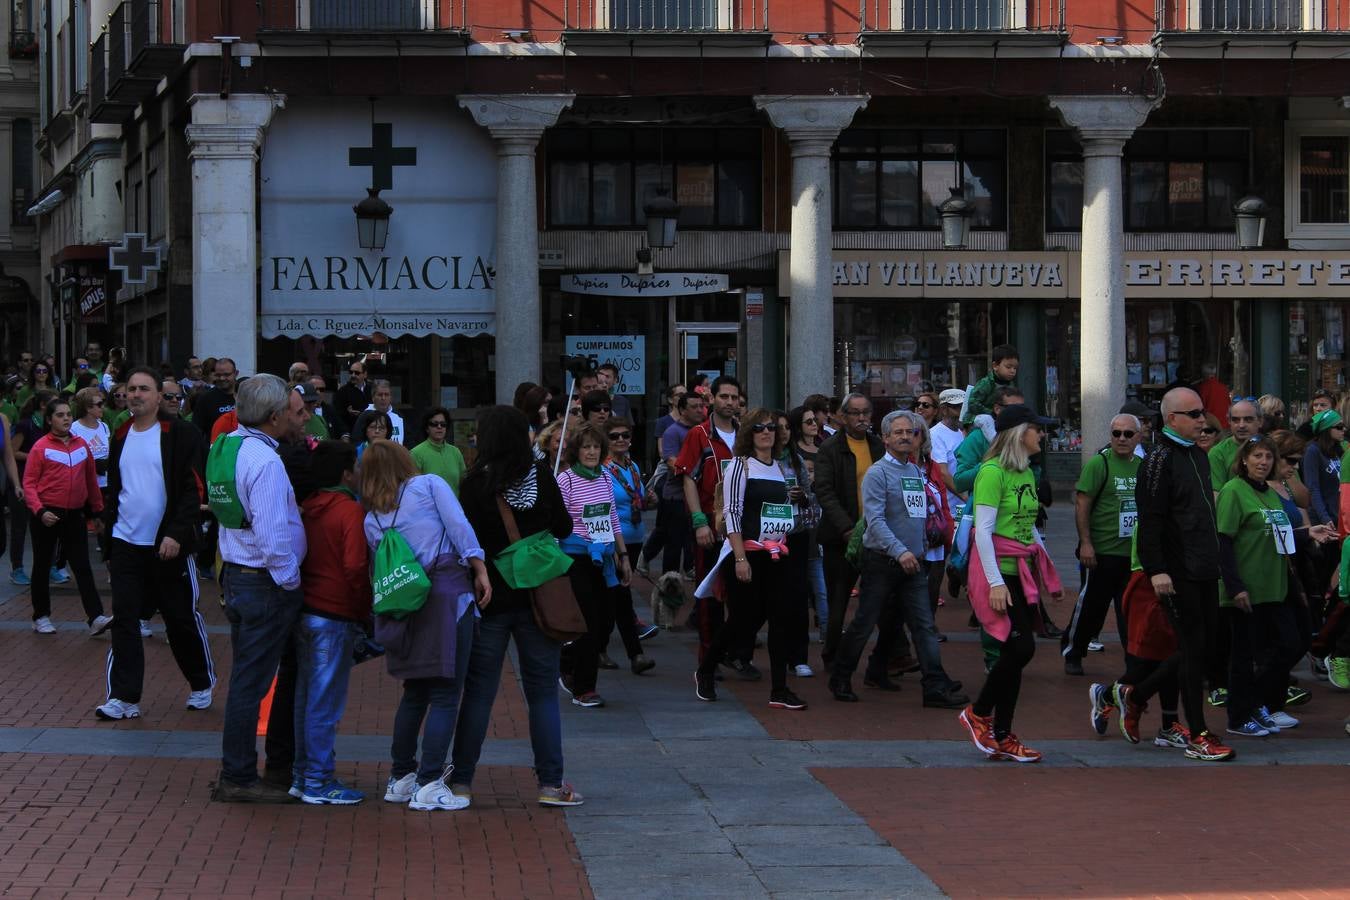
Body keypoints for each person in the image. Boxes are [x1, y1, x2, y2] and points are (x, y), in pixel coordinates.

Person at [452, 405, 584, 808]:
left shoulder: (474, 483)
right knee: (542, 692)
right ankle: (550, 783)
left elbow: (464, 538)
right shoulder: (541, 476)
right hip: (538, 596)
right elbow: (564, 526)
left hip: (489, 595)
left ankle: (461, 781)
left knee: (478, 693)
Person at [361, 441, 490, 812]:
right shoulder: (429, 485)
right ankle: (430, 782)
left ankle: (401, 776)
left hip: (404, 606)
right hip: (447, 597)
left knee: (414, 691)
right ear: (404, 460)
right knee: (447, 693)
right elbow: (459, 527)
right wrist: (479, 568)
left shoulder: (372, 519)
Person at [1116, 386, 1235, 762]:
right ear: (1172, 419)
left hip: (1204, 567)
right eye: (1195, 414)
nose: (1203, 420)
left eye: (1202, 413)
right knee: (1191, 651)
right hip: (1176, 570)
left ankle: (1135, 696)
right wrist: (1158, 570)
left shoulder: (1197, 456)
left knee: (1198, 649)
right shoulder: (1157, 460)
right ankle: (1198, 733)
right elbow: (1150, 521)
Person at [95, 368, 213, 721]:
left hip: (168, 545)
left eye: (144, 389)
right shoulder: (120, 434)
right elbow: (115, 488)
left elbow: (194, 490)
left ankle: (201, 681)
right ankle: (124, 697)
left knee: (179, 619)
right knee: (126, 620)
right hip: (127, 543)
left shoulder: (182, 434)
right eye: (131, 389)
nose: (136, 395)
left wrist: (177, 534)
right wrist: (109, 542)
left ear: (159, 396)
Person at [212, 374, 309, 803]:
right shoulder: (267, 463)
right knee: (253, 683)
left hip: (236, 573)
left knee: (247, 679)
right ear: (274, 417)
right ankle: (238, 775)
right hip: (263, 581)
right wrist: (290, 582)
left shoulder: (226, 445)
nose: (301, 417)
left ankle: (245, 770)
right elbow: (273, 538)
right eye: (295, 410)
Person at [831, 410, 968, 708]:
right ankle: (840, 676)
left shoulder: (915, 472)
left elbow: (917, 516)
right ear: (886, 438)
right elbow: (875, 521)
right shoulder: (878, 474)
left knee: (922, 625)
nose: (906, 437)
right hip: (882, 562)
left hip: (914, 564)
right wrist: (900, 551)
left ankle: (933, 686)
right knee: (865, 623)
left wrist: (919, 549)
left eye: (911, 432)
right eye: (899, 432)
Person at [958, 404, 1062, 763]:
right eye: (1038, 429)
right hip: (997, 571)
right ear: (1020, 432)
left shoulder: (1027, 473)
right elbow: (983, 532)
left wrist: (1045, 565)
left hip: (1020, 570)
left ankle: (1001, 733)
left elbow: (1027, 524)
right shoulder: (992, 472)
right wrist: (995, 582)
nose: (1043, 435)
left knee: (1016, 652)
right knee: (1020, 649)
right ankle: (979, 714)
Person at [1216, 437, 1331, 737]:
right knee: (1243, 657)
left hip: (1275, 587)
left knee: (1292, 643)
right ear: (1244, 460)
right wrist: (1234, 586)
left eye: (1268, 456)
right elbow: (1223, 541)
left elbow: (1278, 533)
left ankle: (1254, 703)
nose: (1263, 462)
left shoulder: (1269, 492)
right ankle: (1238, 717)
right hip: (1246, 590)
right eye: (1257, 456)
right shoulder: (1233, 491)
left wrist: (1307, 533)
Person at [694, 408, 808, 710]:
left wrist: (798, 502)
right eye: (759, 428)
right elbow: (731, 512)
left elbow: (785, 515)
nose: (766, 432)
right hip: (748, 554)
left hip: (778, 554)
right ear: (749, 433)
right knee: (742, 621)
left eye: (771, 427)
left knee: (780, 621)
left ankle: (780, 689)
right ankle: (706, 668)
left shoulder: (783, 469)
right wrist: (740, 557)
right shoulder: (740, 467)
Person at [285, 440, 370, 803]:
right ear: (346, 473)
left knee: (307, 699)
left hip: (307, 610)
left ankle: (304, 775)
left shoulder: (308, 508)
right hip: (335, 614)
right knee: (324, 703)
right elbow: (355, 566)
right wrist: (365, 606)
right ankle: (318, 780)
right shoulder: (349, 511)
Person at [556, 423, 633, 708]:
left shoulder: (604, 477)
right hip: (576, 557)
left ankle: (565, 660)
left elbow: (612, 518)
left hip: (606, 558)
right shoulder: (566, 480)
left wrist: (623, 556)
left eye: (596, 447)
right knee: (588, 621)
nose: (591, 451)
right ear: (576, 450)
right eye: (586, 446)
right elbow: (559, 521)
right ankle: (584, 688)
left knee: (604, 622)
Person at [675, 376, 749, 672]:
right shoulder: (699, 435)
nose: (730, 402)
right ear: (712, 400)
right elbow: (687, 479)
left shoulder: (747, 434)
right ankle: (709, 658)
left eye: (734, 398)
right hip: (711, 520)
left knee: (742, 592)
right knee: (711, 594)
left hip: (742, 522)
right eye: (724, 397)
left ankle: (736, 653)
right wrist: (698, 522)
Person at [23, 396, 111, 636]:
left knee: (82, 566)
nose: (65, 419)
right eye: (59, 415)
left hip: (74, 514)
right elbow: (29, 484)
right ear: (49, 419)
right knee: (42, 565)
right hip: (46, 514)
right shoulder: (41, 447)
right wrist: (40, 511)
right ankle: (41, 616)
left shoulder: (82, 445)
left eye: (68, 415)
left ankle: (95, 617)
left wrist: (97, 511)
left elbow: (91, 482)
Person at [1062, 414, 1142, 675]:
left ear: (1138, 437)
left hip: (1131, 555)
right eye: (1116, 433)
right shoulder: (1099, 464)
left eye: (1128, 434)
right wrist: (1086, 543)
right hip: (1101, 553)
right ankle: (1074, 651)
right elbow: (1082, 503)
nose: (1121, 439)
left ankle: (1133, 660)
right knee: (1091, 608)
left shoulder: (1143, 466)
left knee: (1129, 611)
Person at [814, 393, 884, 666]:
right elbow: (825, 491)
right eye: (855, 413)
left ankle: (888, 657)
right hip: (840, 537)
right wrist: (846, 529)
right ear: (842, 417)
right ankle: (831, 655)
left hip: (876, 535)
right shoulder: (830, 448)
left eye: (866, 412)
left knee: (881, 599)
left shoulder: (878, 446)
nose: (861, 418)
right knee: (838, 602)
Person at [601, 417, 655, 674]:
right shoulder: (603, 469)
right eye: (614, 436)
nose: (621, 440)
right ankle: (636, 654)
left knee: (615, 598)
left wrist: (648, 498)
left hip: (634, 538)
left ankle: (598, 648)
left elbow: (639, 498)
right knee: (620, 596)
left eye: (625, 435)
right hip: (614, 540)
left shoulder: (632, 466)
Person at [640, 390, 705, 578]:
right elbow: (671, 461)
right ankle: (668, 583)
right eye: (694, 407)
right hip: (675, 496)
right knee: (673, 542)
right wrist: (696, 470)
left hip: (698, 495)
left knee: (691, 540)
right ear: (682, 410)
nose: (699, 410)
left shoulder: (703, 430)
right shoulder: (673, 431)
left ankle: (690, 571)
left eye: (701, 406)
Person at [788, 405, 827, 637]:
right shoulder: (793, 454)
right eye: (809, 422)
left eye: (815, 421)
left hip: (822, 516)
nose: (814, 425)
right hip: (798, 520)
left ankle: (825, 626)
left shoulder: (823, 448)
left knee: (820, 579)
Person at [10, 390, 53, 587]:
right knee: (20, 526)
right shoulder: (25, 424)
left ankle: (48, 566)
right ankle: (17, 568)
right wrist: (37, 457)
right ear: (43, 405)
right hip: (22, 479)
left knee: (45, 524)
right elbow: (13, 451)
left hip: (44, 482)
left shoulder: (51, 426)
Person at [952, 387, 1025, 494]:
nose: (1019, 413)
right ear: (997, 409)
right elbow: (960, 482)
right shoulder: (977, 437)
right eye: (1013, 408)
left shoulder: (1025, 435)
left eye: (1022, 409)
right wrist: (992, 464)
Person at [1209, 398, 1262, 494]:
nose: (1241, 425)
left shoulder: (1272, 448)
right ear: (1229, 421)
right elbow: (1216, 495)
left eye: (1248, 419)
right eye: (1236, 420)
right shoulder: (1217, 453)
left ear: (1260, 421)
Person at [410, 407, 466, 495]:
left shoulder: (455, 452)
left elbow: (463, 481)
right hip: (428, 507)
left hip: (454, 506)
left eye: (443, 424)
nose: (439, 427)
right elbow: (414, 488)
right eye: (434, 424)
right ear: (427, 428)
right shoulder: (416, 453)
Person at [1302, 410, 1344, 528]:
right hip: (1323, 521)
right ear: (1327, 429)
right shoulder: (1313, 451)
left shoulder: (1337, 450)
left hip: (1338, 517)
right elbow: (1313, 487)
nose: (1343, 430)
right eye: (1339, 427)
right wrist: (1324, 517)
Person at [962, 344, 1019, 426]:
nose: (1012, 371)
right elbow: (973, 403)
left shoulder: (1011, 386)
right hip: (978, 420)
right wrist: (991, 413)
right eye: (1008, 367)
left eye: (1015, 368)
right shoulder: (986, 383)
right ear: (995, 366)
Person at [929, 389, 966, 504]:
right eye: (958, 408)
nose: (962, 412)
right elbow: (942, 473)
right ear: (944, 410)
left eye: (964, 407)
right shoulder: (935, 434)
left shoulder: (961, 433)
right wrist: (966, 498)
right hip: (949, 509)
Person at [194, 358, 239, 439]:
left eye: (226, 375)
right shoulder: (205, 398)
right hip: (215, 448)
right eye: (218, 375)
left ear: (236, 374)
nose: (222, 378)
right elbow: (197, 430)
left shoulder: (244, 396)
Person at [336, 359, 372, 438]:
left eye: (357, 373)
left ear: (365, 374)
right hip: (352, 434)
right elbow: (337, 415)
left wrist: (361, 413)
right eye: (351, 372)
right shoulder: (342, 392)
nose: (353, 375)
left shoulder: (372, 390)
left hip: (371, 432)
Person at [365, 380, 405, 446]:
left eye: (386, 395)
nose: (383, 398)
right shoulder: (365, 415)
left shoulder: (399, 416)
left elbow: (408, 441)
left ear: (391, 397)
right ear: (373, 397)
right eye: (380, 395)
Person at [1194, 363, 1231, 429]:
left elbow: (1199, 408)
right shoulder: (1224, 387)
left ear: (1204, 374)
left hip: (1210, 426)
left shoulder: (1202, 388)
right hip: (1225, 425)